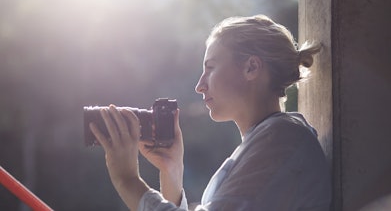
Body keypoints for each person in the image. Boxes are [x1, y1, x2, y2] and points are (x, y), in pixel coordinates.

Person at [90, 15, 332, 211]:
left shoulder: (283, 140)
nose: (200, 85)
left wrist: (127, 179)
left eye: (211, 68)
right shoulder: (268, 140)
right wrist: (172, 173)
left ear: (251, 67)